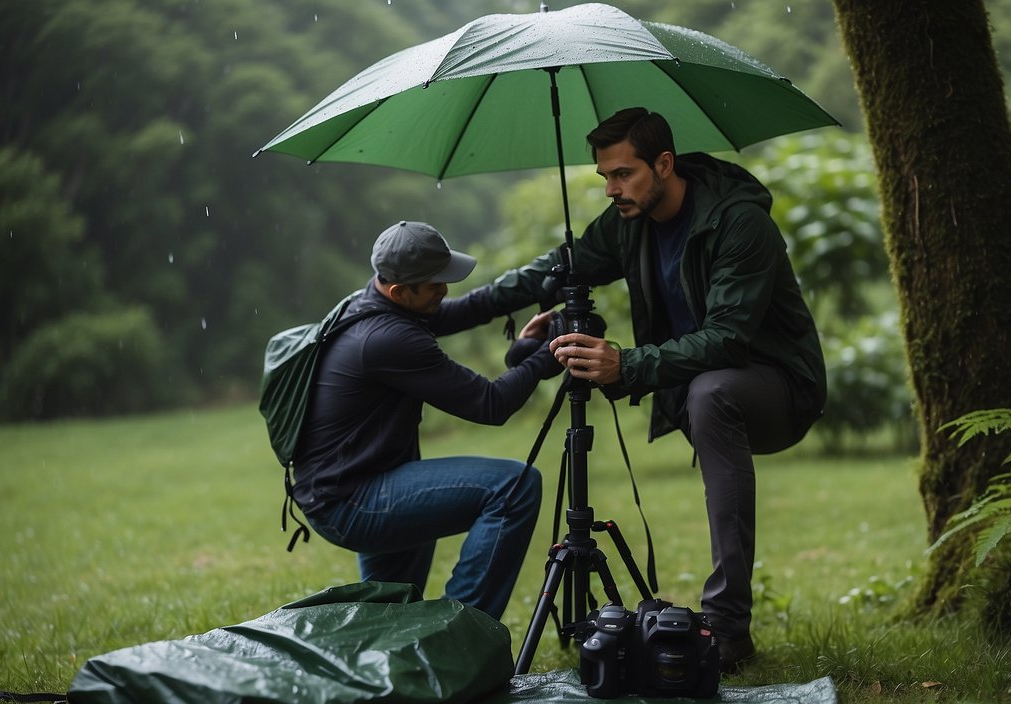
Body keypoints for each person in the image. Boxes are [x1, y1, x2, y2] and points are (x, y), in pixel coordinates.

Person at [490, 109, 827, 669]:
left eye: (624, 174)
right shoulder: (628, 221)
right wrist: (447, 309)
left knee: (710, 393)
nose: (612, 188)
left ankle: (727, 628)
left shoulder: (740, 223)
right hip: (705, 385)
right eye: (604, 177)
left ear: (664, 164)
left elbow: (726, 340)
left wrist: (625, 364)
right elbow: (559, 266)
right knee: (707, 393)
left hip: (780, 389)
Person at [291, 220, 563, 620]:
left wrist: (543, 277)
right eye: (435, 284)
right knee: (513, 486)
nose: (445, 290)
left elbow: (472, 307)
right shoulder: (387, 337)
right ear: (401, 290)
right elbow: (491, 404)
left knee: (390, 612)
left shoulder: (375, 301)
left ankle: (391, 658)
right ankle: (462, 633)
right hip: (353, 499)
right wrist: (549, 353)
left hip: (352, 485)